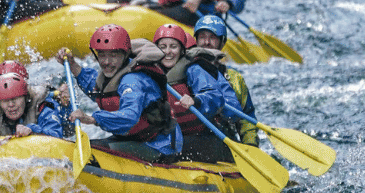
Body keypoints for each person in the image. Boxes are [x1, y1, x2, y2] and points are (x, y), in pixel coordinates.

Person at [56, 24, 181, 163]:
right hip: (133, 139)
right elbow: (97, 91)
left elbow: (130, 116)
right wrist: (72, 65)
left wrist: (92, 118)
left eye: (113, 55)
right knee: (83, 147)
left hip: (158, 145)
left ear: (125, 54)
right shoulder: (114, 73)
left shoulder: (133, 81)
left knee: (92, 152)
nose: (106, 62)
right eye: (102, 55)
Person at [154, 23, 233, 163]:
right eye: (163, 47)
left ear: (181, 50)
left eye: (173, 46)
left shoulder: (194, 69)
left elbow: (215, 96)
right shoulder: (152, 73)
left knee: (165, 150)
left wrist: (195, 100)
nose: (168, 52)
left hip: (205, 138)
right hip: (174, 136)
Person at [193, 15, 258, 147]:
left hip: (223, 139)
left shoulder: (234, 78)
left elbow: (247, 118)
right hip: (193, 137)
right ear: (196, 41)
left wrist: (251, 145)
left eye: (212, 37)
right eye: (202, 37)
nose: (206, 42)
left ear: (222, 43)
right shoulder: (186, 70)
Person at [0, 61, 64, 139]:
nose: (11, 105)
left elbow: (56, 135)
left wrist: (32, 130)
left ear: (25, 96)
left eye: (16, 98)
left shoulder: (41, 105)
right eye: (5, 100)